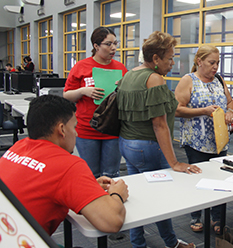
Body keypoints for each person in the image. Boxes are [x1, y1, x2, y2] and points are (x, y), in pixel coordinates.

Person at [0, 95, 129, 236]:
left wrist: (85, 186)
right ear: (62, 130)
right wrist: (117, 194)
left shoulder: (18, 147)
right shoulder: (68, 165)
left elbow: (41, 183)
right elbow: (112, 221)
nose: (76, 133)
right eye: (74, 127)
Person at [117, 31, 200, 248]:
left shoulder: (129, 74)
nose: (173, 62)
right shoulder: (154, 79)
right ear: (155, 59)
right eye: (170, 58)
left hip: (127, 145)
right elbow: (159, 124)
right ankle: (172, 243)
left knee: (135, 199)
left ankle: (140, 244)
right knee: (160, 200)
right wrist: (174, 162)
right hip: (147, 147)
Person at [174, 45, 233, 234]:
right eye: (211, 63)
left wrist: (230, 112)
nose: (215, 67)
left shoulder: (218, 80)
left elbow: (230, 102)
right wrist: (202, 111)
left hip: (219, 140)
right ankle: (196, 216)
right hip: (196, 142)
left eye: (218, 62)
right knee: (199, 179)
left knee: (219, 179)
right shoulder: (188, 80)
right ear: (199, 61)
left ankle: (216, 217)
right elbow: (177, 109)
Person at [64, 27, 128, 178]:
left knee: (111, 174)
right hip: (87, 130)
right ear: (96, 46)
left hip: (112, 130)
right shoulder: (81, 66)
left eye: (115, 43)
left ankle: (111, 200)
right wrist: (82, 91)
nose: (113, 48)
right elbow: (66, 95)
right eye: (108, 44)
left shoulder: (120, 68)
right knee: (91, 175)